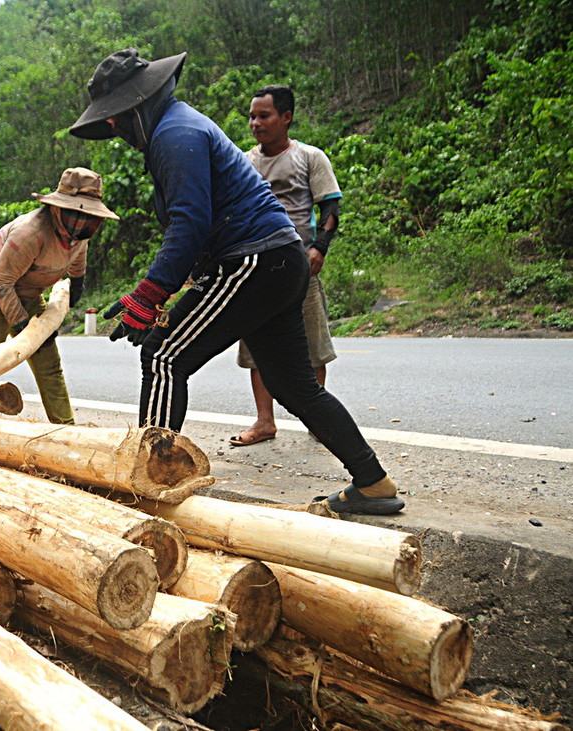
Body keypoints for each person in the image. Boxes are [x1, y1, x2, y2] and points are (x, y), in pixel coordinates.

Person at [69, 49, 402, 514]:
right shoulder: (179, 127)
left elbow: (188, 223)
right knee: (294, 386)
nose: (117, 133)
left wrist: (149, 294)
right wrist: (166, 288)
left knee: (164, 355)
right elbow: (196, 227)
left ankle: (152, 491)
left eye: (117, 122)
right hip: (278, 261)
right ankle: (373, 483)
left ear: (135, 108)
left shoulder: (174, 134)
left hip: (254, 261)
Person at [0, 167, 119, 425]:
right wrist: (23, 325)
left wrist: (77, 284)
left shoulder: (79, 235)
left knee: (49, 364)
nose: (80, 220)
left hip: (27, 292)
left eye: (86, 215)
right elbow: (0, 281)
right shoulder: (31, 233)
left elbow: (77, 260)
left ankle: (66, 430)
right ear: (58, 208)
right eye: (75, 213)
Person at [230, 85, 341, 447]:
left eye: (264, 116)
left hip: (299, 266)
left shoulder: (309, 157)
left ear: (287, 117)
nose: (255, 123)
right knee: (257, 347)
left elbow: (330, 208)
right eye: (252, 116)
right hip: (256, 268)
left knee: (311, 345)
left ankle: (318, 420)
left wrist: (319, 248)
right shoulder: (245, 163)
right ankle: (265, 422)